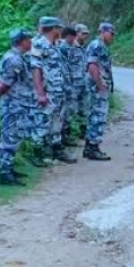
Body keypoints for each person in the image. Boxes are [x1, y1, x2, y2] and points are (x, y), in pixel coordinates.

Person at [0, 29, 36, 186]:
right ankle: (5, 173)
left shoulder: (17, 57)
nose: (30, 41)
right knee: (9, 137)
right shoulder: (14, 60)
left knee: (14, 136)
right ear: (21, 41)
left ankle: (9, 168)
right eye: (28, 39)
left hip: (18, 103)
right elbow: (4, 84)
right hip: (13, 104)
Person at [31, 17, 77, 164]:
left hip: (58, 91)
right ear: (53, 28)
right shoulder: (39, 44)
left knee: (57, 121)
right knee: (43, 121)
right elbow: (36, 69)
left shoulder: (55, 45)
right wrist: (40, 93)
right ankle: (38, 152)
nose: (60, 30)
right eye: (58, 27)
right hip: (47, 91)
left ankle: (56, 148)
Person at [84, 22, 116, 161]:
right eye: (111, 33)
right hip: (97, 88)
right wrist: (101, 87)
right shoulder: (96, 45)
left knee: (96, 116)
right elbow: (92, 66)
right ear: (103, 32)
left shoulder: (102, 46)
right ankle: (93, 147)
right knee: (98, 116)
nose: (112, 37)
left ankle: (90, 147)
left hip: (100, 86)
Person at [58, 26, 86, 146]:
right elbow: (65, 67)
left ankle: (66, 136)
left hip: (75, 83)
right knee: (66, 111)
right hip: (69, 84)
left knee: (71, 110)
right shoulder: (64, 48)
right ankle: (63, 136)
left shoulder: (76, 47)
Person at [73, 24, 92, 139]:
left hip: (84, 82)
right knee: (70, 109)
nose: (85, 36)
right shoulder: (70, 47)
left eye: (86, 34)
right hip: (73, 84)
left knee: (84, 107)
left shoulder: (85, 47)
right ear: (76, 33)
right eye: (83, 33)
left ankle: (83, 130)